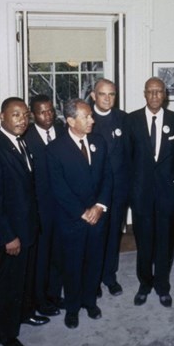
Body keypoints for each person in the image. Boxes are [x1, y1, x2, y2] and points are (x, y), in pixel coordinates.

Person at [0, 97, 48, 346]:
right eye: (15, 115)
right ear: (2, 116)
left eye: (24, 115)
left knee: (25, 279)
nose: (22, 120)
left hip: (27, 227)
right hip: (9, 234)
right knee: (7, 285)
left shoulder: (21, 143)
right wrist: (8, 237)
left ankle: (25, 313)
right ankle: (5, 333)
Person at [47, 98, 112, 329]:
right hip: (71, 220)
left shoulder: (99, 142)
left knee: (94, 261)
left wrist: (99, 206)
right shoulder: (55, 149)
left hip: (97, 216)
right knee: (72, 265)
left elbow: (107, 176)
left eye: (91, 116)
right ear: (71, 120)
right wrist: (82, 212)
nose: (92, 120)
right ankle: (72, 308)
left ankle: (90, 302)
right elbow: (58, 187)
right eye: (87, 117)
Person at [125, 77, 174, 307]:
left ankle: (163, 285)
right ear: (144, 93)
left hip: (168, 193)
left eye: (159, 92)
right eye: (150, 92)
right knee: (144, 241)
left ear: (165, 95)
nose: (155, 96)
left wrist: (173, 180)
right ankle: (144, 283)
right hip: (141, 194)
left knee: (165, 242)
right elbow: (127, 159)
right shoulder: (131, 121)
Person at [24, 95, 66, 316]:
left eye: (50, 111)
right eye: (42, 112)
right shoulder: (26, 137)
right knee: (41, 257)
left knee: (58, 254)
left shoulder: (61, 129)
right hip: (40, 208)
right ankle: (39, 300)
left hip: (62, 207)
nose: (48, 116)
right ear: (32, 114)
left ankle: (54, 295)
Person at [90, 79, 130, 296]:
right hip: (94, 192)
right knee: (95, 236)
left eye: (111, 94)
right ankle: (93, 279)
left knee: (114, 234)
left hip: (117, 191)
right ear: (93, 95)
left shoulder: (123, 119)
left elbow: (129, 156)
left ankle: (109, 276)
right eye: (103, 94)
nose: (107, 98)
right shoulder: (86, 119)